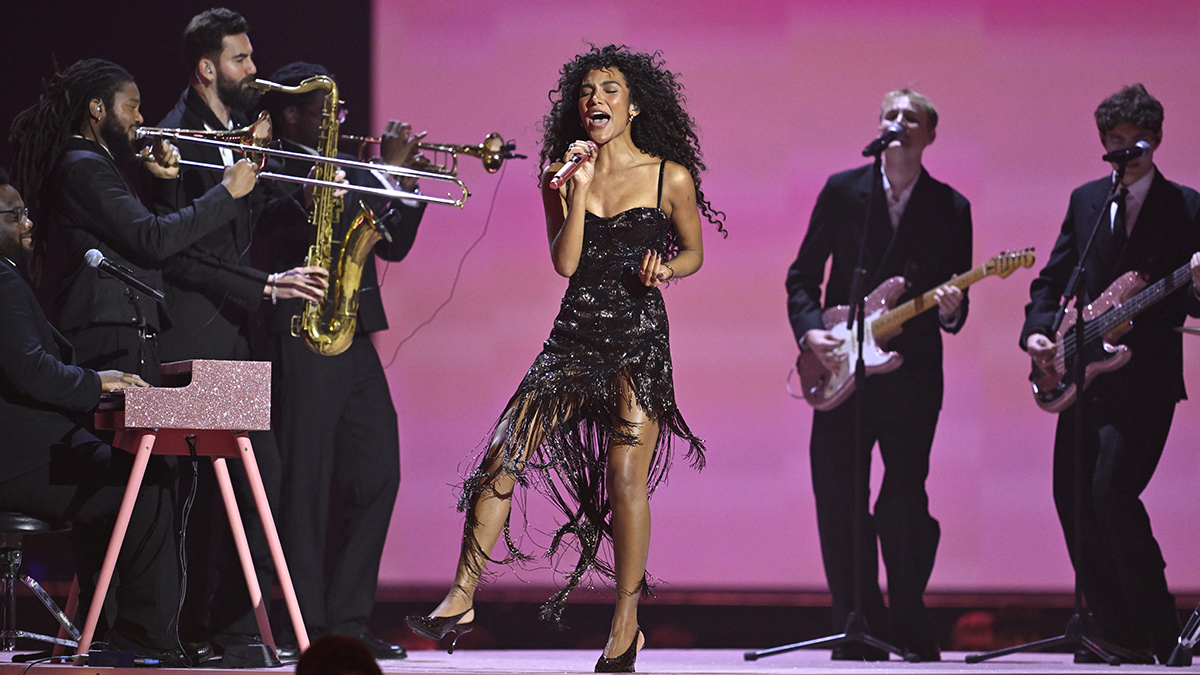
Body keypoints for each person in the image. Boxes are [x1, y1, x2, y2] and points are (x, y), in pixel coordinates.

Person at [405, 44, 724, 673]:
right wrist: (574, 190)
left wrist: (668, 268)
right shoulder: (562, 172)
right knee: (504, 452)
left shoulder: (670, 177)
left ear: (633, 107)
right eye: (586, 91)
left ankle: (625, 625)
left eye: (609, 90)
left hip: (636, 339)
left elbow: (694, 251)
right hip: (574, 337)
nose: (595, 100)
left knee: (624, 478)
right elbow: (566, 263)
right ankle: (461, 597)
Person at [142, 9, 325, 658]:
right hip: (190, 333)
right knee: (215, 488)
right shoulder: (171, 138)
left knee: (251, 484)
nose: (255, 69)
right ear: (206, 68)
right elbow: (175, 253)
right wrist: (267, 286)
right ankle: (208, 627)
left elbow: (240, 222)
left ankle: (225, 625)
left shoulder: (233, 132)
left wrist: (298, 184)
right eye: (242, 59)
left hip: (230, 333)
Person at [785, 89, 972, 662]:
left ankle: (911, 621)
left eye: (910, 119)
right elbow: (802, 276)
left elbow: (958, 302)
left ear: (930, 135)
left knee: (903, 500)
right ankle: (856, 623)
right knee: (839, 496)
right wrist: (810, 329)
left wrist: (950, 308)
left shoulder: (951, 206)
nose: (898, 125)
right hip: (844, 369)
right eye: (890, 116)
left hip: (912, 374)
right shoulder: (846, 192)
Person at [252, 60, 426, 660]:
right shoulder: (267, 159)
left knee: (378, 472)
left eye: (335, 109)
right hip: (298, 331)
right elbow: (261, 231)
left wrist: (399, 175)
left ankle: (348, 623)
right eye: (321, 109)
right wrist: (306, 195)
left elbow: (394, 242)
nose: (333, 119)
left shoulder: (349, 165)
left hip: (350, 332)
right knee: (305, 485)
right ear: (292, 113)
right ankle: (308, 626)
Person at [1021, 83, 1200, 664]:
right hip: (1082, 372)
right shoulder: (1086, 201)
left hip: (1144, 378)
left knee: (1112, 493)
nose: (1128, 151)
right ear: (1104, 143)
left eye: (1138, 141)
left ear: (1158, 139)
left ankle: (1160, 627)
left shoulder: (1189, 207)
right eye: (1117, 142)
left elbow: (1193, 302)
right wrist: (1040, 331)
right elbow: (1052, 279)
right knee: (1070, 499)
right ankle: (1116, 630)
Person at [0, 169, 186, 663]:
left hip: (15, 452)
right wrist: (96, 382)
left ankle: (103, 634)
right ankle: (142, 639)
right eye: (15, 214)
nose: (29, 222)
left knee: (112, 476)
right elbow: (31, 372)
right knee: (144, 479)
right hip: (14, 458)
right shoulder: (2, 279)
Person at [7, 57, 259, 386]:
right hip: (108, 334)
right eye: (131, 106)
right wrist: (226, 193)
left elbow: (156, 244)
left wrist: (166, 183)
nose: (140, 118)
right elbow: (152, 239)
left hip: (128, 329)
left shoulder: (97, 164)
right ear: (97, 108)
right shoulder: (83, 167)